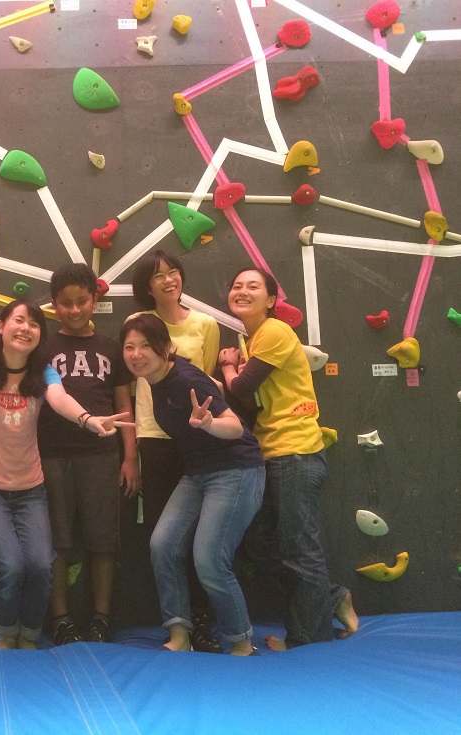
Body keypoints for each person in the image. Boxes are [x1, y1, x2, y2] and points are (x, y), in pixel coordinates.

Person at [0, 299, 128, 650]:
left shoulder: (43, 373)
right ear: (1, 327)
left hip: (30, 487)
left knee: (41, 565)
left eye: (33, 324)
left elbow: (59, 399)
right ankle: (6, 631)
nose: (25, 328)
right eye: (18, 320)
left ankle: (28, 634)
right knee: (11, 566)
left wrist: (88, 419)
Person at [218, 267, 358, 650]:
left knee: (299, 548)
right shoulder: (252, 340)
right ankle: (331, 597)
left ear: (271, 300)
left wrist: (227, 366)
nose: (242, 291)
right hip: (271, 452)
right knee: (259, 543)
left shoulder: (275, 332)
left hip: (296, 450)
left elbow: (243, 387)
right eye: (236, 285)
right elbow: (250, 401)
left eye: (253, 286)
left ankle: (308, 638)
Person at [120, 314, 264, 656]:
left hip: (236, 470)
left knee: (210, 559)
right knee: (162, 545)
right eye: (129, 347)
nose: (136, 354)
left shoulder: (186, 378)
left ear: (166, 348)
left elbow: (235, 427)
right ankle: (179, 635)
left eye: (145, 346)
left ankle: (242, 642)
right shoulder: (153, 382)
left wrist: (209, 423)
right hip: (198, 473)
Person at [127, 250, 223, 653]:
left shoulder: (206, 324)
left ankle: (202, 622)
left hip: (195, 441)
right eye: (158, 275)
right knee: (163, 538)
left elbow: (208, 382)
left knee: (202, 537)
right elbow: (130, 383)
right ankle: (177, 626)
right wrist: (130, 453)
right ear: (147, 286)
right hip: (153, 437)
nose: (169, 280)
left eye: (174, 272)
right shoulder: (138, 323)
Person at [38, 263, 137, 645]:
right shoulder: (43, 348)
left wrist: (130, 457)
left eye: (82, 301)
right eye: (66, 303)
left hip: (101, 455)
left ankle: (101, 619)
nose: (75, 309)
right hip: (51, 455)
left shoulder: (111, 348)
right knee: (57, 542)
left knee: (103, 541)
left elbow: (124, 404)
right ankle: (61, 620)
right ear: (54, 305)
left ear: (95, 301)